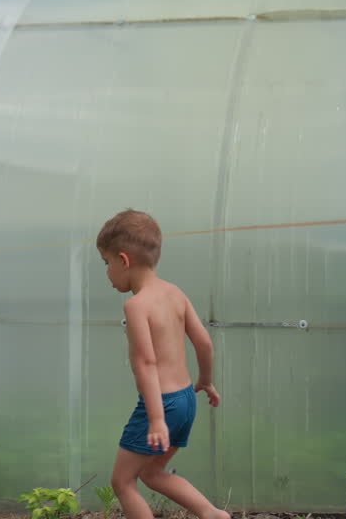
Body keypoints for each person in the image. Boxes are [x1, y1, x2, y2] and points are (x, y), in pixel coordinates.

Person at [98, 209, 228, 519]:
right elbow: (204, 342)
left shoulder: (136, 305)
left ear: (123, 260)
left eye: (106, 263)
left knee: (122, 481)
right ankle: (212, 514)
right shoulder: (175, 293)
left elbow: (145, 363)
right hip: (184, 399)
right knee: (154, 473)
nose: (107, 272)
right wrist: (206, 380)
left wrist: (156, 419)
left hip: (162, 404)